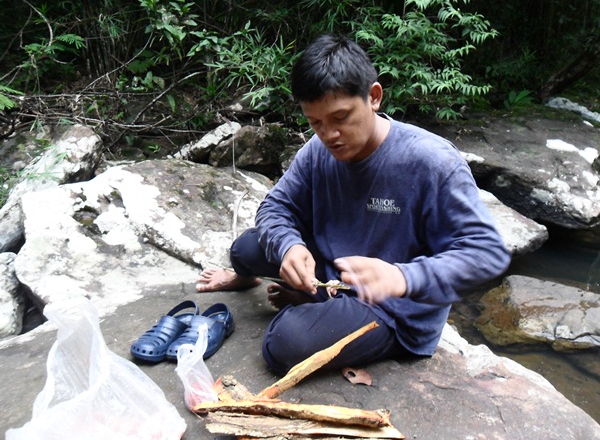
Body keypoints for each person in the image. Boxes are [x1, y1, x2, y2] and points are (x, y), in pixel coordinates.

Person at [197, 34, 511, 376]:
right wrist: (289, 248)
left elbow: (487, 252)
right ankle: (310, 295)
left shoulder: (430, 161)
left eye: (341, 117)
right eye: (315, 122)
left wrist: (402, 276)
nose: (329, 134)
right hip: (337, 272)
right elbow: (276, 206)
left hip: (393, 308)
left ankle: (315, 303)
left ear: (373, 97)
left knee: (283, 344)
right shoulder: (319, 150)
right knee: (245, 250)